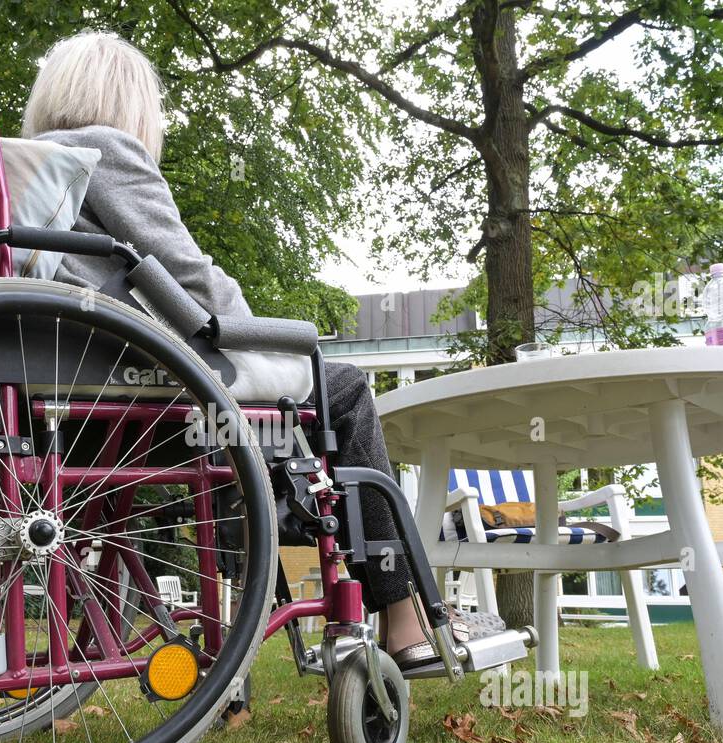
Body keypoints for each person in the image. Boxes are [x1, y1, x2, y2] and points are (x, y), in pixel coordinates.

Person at [25, 32, 435, 668]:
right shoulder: (105, 152)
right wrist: (257, 333)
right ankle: (403, 623)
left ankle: (243, 612)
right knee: (343, 388)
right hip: (132, 389)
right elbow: (192, 282)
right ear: (130, 102)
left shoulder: (16, 173)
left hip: (51, 398)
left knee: (246, 440)